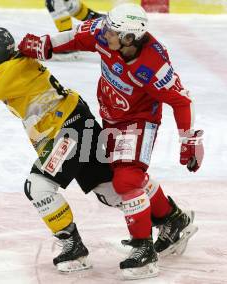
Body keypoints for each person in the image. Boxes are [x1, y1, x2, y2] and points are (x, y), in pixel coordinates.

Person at [18, 2, 203, 279]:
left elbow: (181, 101)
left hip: (138, 122)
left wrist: (188, 140)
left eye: (113, 32)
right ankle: (174, 220)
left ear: (131, 38)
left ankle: (144, 250)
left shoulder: (153, 65)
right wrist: (46, 45)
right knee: (119, 183)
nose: (105, 34)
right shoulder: (108, 35)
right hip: (111, 118)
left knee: (126, 180)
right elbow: (78, 37)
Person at [0, 27, 130, 274]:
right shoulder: (14, 66)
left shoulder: (11, 71)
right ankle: (170, 217)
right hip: (77, 122)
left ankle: (72, 246)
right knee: (110, 190)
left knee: (39, 185)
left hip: (68, 131)